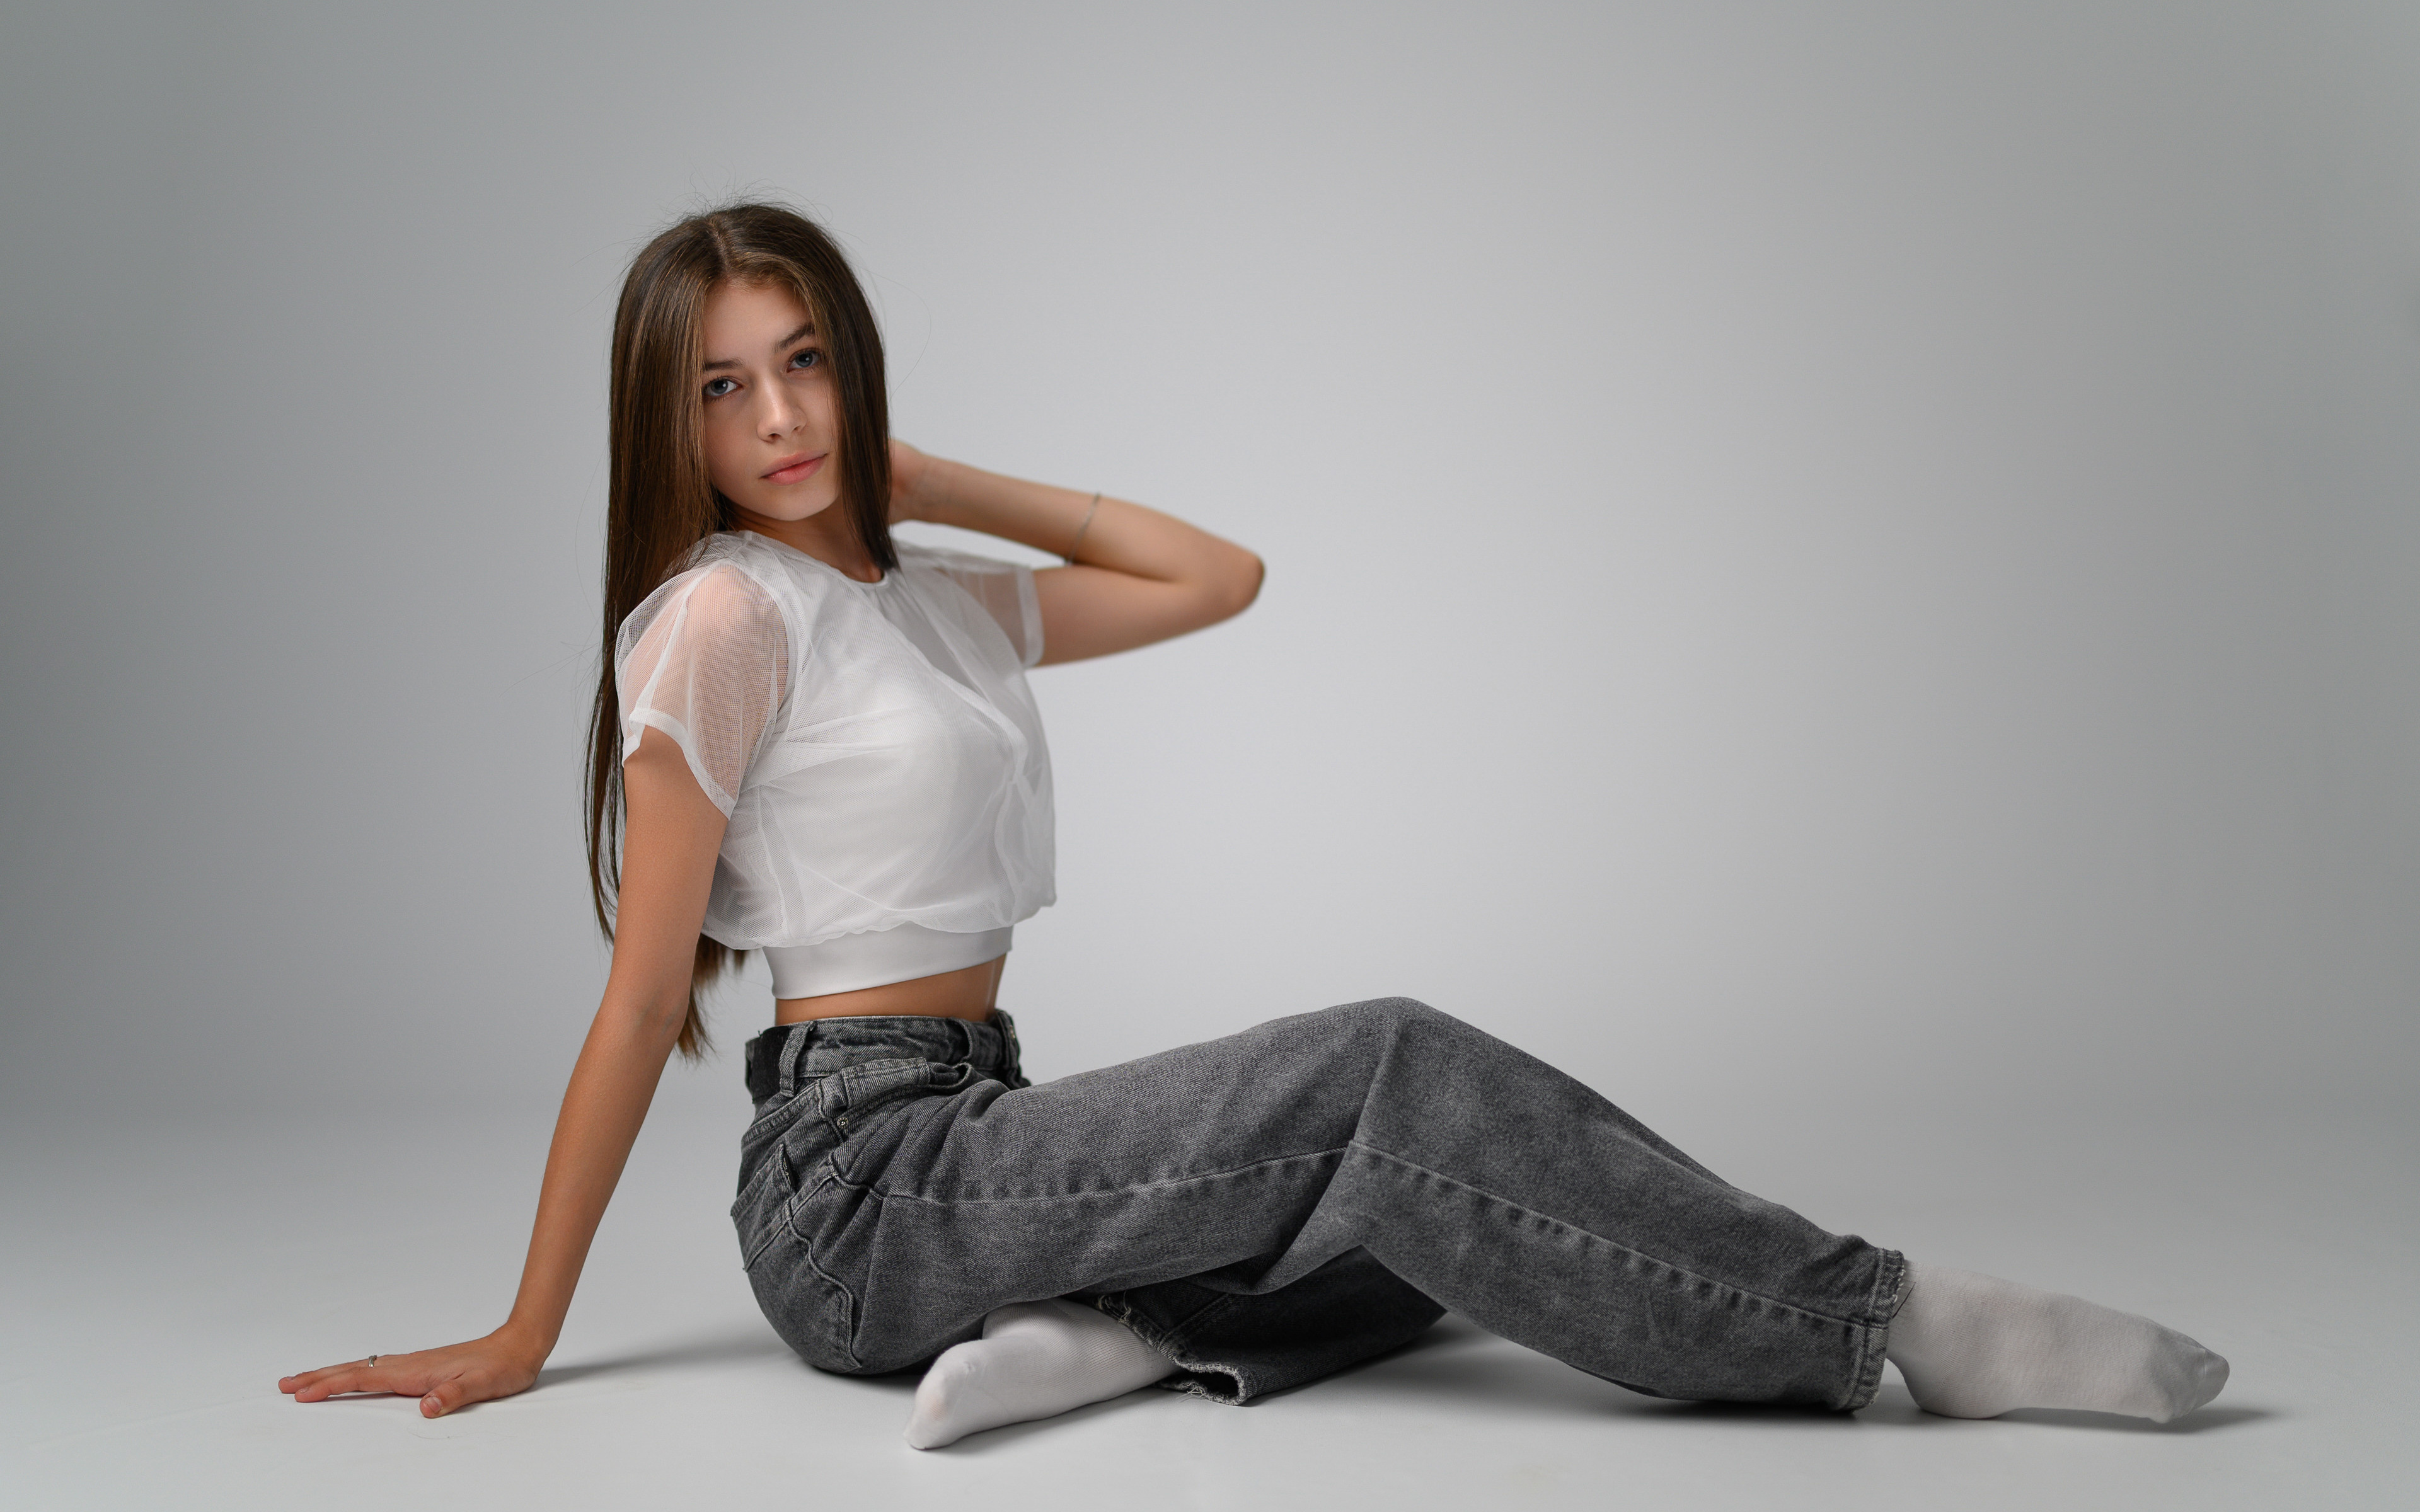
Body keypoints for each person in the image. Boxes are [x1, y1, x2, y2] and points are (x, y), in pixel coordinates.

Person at [279, 202, 2230, 1448]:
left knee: (1446, 1198)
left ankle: (1135, 1334)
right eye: (727, 388)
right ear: (672, 421)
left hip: (979, 1112)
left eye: (807, 364)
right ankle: (1892, 1322)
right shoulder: (720, 620)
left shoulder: (930, 598)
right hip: (860, 1192)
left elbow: (1215, 575)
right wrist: (524, 1330)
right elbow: (643, 1005)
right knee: (1390, 1074)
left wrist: (917, 472)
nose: (780, 419)